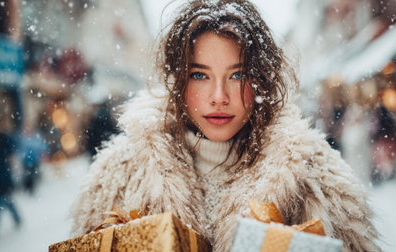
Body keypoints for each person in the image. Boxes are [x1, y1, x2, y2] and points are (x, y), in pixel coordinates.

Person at [70, 1, 380, 251]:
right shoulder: (118, 179)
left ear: (260, 80)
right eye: (200, 75)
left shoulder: (315, 181)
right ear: (177, 80)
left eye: (238, 75)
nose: (219, 98)